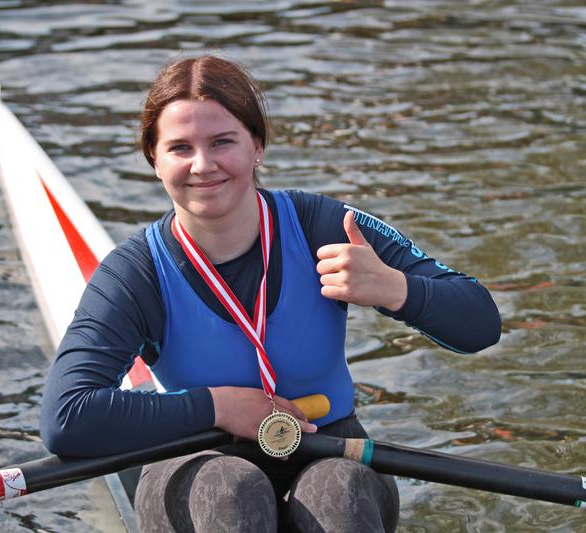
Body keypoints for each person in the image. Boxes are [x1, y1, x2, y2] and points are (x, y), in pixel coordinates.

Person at [40, 54, 501, 532]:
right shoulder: (134, 274)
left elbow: (482, 323)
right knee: (232, 492)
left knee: (338, 494)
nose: (203, 165)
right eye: (180, 147)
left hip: (329, 450)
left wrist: (394, 288)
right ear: (154, 160)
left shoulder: (325, 226)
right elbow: (66, 417)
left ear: (257, 147)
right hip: (193, 461)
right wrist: (219, 407)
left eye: (223, 142)